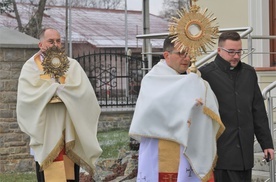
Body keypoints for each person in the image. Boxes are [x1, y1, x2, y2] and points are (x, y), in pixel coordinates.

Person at [129, 36, 225, 182]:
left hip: (188, 144)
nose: (186, 58)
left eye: (188, 54)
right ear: (166, 55)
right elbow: (152, 110)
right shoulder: (153, 79)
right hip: (159, 146)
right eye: (181, 53)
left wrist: (199, 104)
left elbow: (208, 110)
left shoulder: (195, 80)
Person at [16, 28, 102, 182]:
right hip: (46, 129)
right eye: (51, 41)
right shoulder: (30, 68)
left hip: (68, 128)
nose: (55, 44)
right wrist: (54, 89)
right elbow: (26, 97)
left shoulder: (72, 65)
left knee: (69, 174)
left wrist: (66, 92)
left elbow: (86, 93)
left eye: (58, 40)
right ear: (41, 44)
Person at [199, 31, 274, 182]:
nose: (236, 56)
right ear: (219, 50)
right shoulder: (205, 74)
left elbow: (258, 110)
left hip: (245, 152)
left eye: (239, 51)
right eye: (231, 52)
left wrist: (266, 143)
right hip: (221, 154)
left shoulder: (249, 73)